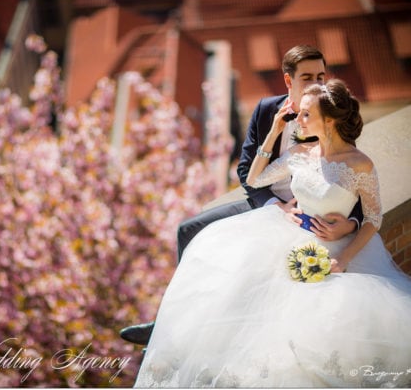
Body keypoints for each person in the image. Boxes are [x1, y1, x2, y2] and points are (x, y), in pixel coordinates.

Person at [133, 79, 411, 387]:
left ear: (329, 121)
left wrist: (342, 259)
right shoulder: (300, 153)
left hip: (338, 251)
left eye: (306, 114)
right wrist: (274, 130)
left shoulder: (359, 165)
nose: (298, 119)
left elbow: (373, 217)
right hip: (291, 237)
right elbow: (256, 178)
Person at [120, 45, 363, 345]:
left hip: (309, 214)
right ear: (289, 81)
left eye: (321, 77)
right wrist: (275, 205)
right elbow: (246, 171)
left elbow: (356, 182)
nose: (316, 84)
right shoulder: (265, 110)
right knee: (188, 230)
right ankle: (167, 322)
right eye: (307, 78)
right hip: (266, 202)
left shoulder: (331, 119)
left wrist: (351, 222)